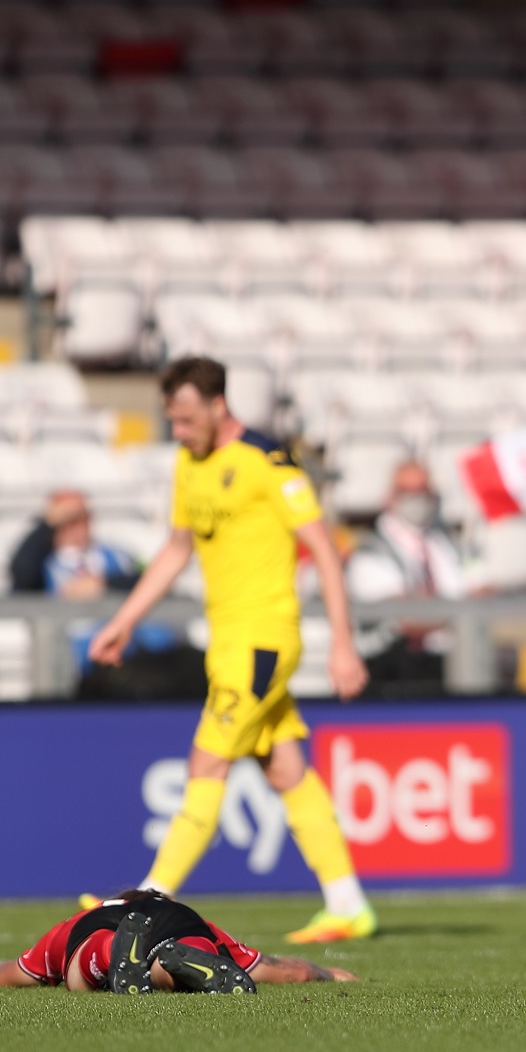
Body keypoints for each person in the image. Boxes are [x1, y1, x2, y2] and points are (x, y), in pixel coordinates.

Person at [87, 357, 376, 946]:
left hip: (263, 642)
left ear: (220, 406)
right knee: (287, 769)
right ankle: (348, 904)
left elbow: (322, 549)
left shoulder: (268, 462)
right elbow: (174, 551)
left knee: (206, 763)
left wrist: (343, 643)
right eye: (173, 420)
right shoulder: (187, 465)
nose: (180, 431)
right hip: (228, 644)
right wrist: (122, 622)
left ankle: (144, 901)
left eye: (189, 419)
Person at [0, 889, 357, 993]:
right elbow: (285, 970)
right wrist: (329, 973)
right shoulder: (181, 911)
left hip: (99, 925)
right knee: (174, 958)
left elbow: (8, 973)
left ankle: (113, 953)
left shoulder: (78, 918)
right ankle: (171, 965)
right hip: (179, 923)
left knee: (80, 970)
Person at [346, 459, 475, 602]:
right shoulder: (369, 553)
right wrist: (458, 610)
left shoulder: (446, 541)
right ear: (389, 497)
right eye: (406, 491)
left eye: (422, 490)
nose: (416, 498)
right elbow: (399, 615)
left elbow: (476, 586)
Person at [8, 490, 140, 599]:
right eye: (68, 519)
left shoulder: (116, 555)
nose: (78, 528)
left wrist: (104, 585)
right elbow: (21, 575)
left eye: (83, 518)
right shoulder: (43, 562)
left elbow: (148, 580)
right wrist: (47, 524)